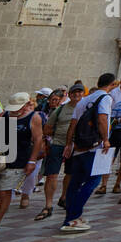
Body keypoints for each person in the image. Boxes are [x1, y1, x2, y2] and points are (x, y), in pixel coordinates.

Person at [0, 92, 44, 241]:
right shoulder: (3, 115)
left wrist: (32, 161)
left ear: (26, 105)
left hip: (17, 160)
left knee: (4, 193)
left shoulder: (34, 117)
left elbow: (38, 139)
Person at [59, 73, 116, 233]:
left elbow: (73, 124)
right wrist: (106, 139)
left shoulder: (84, 100)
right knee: (94, 181)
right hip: (94, 146)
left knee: (75, 183)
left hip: (79, 146)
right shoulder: (105, 98)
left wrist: (69, 143)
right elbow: (102, 119)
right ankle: (73, 217)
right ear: (112, 84)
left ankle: (70, 218)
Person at [38, 82, 81, 218]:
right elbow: (47, 128)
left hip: (76, 146)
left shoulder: (86, 109)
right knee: (52, 175)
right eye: (74, 93)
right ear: (69, 95)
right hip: (58, 144)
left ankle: (64, 198)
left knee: (70, 174)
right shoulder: (61, 109)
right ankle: (48, 205)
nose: (77, 95)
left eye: (80, 93)